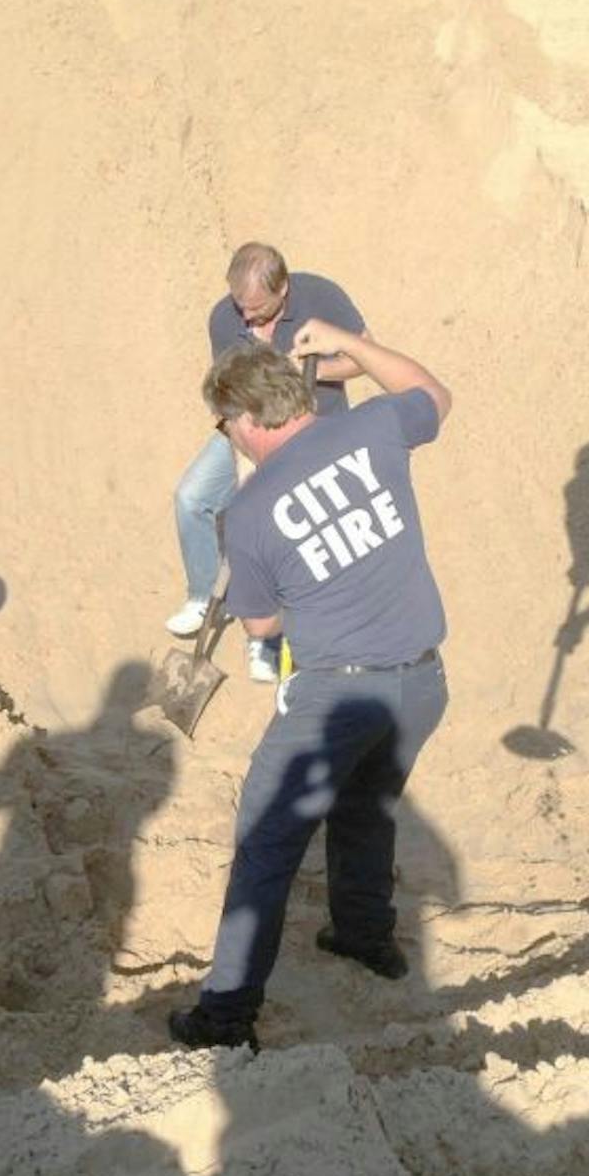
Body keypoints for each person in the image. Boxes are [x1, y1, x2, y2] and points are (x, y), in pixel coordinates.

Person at [169, 321, 453, 1051]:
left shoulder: (250, 512)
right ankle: (364, 933)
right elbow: (434, 394)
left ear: (246, 418)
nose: (227, 435)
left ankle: (226, 1014)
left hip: (334, 695)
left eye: (224, 423)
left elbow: (261, 625)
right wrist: (356, 346)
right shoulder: (374, 428)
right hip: (423, 681)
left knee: (266, 843)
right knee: (368, 803)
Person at [168, 242, 368, 683]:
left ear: (283, 290)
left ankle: (271, 643)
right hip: (249, 433)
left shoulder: (322, 297)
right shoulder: (224, 318)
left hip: (317, 434)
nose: (246, 317)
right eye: (240, 306)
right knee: (192, 498)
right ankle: (206, 596)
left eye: (257, 309)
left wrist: (312, 370)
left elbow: (362, 356)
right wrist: (245, 466)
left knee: (287, 536)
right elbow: (230, 399)